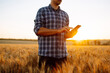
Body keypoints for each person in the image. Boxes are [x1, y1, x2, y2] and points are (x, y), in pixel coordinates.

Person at [34, 0, 79, 72]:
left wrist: (72, 34)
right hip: (46, 57)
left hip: (62, 57)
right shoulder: (42, 11)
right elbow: (38, 30)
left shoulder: (65, 14)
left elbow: (65, 35)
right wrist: (58, 30)